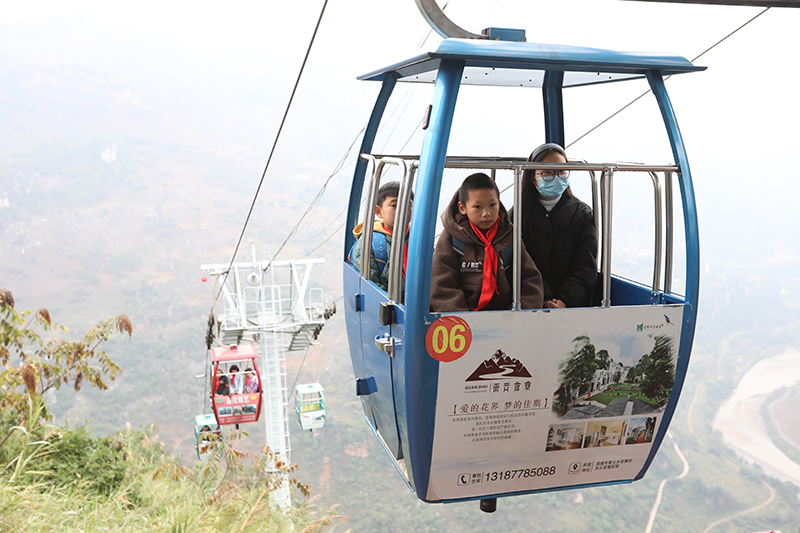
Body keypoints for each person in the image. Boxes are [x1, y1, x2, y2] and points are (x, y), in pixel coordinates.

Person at [431, 173, 543, 311]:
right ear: (462, 208)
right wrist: (462, 319)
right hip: (463, 317)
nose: (487, 213)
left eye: (492, 205)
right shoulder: (451, 238)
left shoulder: (509, 237)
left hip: (505, 316)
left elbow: (529, 280)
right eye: (478, 207)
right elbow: (441, 284)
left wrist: (520, 314)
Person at [519, 143, 598, 308]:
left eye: (561, 170)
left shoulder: (582, 214)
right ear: (533, 177)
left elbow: (585, 266)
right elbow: (518, 266)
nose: (556, 177)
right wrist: (543, 300)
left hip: (572, 306)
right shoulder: (519, 215)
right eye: (547, 172)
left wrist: (565, 300)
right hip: (530, 303)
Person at [350, 181, 413, 292]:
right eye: (394, 205)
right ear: (378, 211)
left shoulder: (417, 239)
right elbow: (371, 285)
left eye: (408, 205)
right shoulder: (369, 243)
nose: (403, 210)